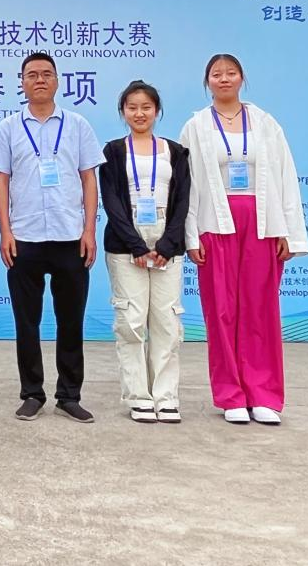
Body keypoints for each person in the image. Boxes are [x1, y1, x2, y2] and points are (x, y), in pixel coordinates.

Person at [180, 53, 308, 426]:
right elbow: (187, 185)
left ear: (242, 78)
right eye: (216, 74)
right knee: (221, 310)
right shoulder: (196, 126)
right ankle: (231, 395)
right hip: (215, 224)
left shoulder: (266, 123)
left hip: (261, 223)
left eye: (231, 73)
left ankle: (263, 394)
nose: (224, 79)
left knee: (260, 309)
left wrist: (287, 231)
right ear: (207, 81)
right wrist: (191, 235)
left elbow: (286, 176)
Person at [0, 52, 104, 423]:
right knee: (27, 322)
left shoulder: (77, 124)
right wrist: (5, 231)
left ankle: (69, 395)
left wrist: (89, 230)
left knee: (71, 321)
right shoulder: (8, 127)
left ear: (57, 81)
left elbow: (88, 179)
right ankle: (32, 393)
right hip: (24, 237)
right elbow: (0, 181)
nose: (39, 80)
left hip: (71, 236)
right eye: (32, 75)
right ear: (22, 82)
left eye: (46, 74)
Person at [98, 80, 191, 424]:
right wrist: (136, 245)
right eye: (132, 107)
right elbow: (111, 202)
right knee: (131, 322)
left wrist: (167, 244)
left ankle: (166, 397)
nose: (139, 113)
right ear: (123, 112)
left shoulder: (175, 152)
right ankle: (138, 396)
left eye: (146, 107)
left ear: (157, 111)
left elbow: (183, 201)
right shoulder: (112, 152)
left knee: (166, 322)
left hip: (167, 243)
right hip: (126, 244)